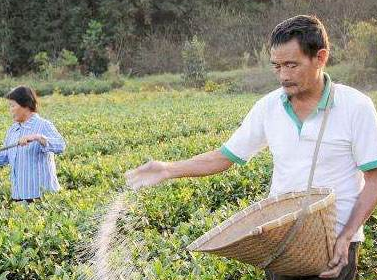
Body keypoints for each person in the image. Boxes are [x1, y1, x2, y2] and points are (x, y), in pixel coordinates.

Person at [125, 15, 377, 280]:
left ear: (320, 57)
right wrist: (168, 169)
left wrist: (347, 235)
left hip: (334, 242)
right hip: (282, 241)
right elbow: (224, 156)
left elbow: (373, 178)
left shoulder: (355, 107)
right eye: (277, 66)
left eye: (292, 65)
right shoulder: (269, 107)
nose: (284, 76)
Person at [0, 86, 66, 203]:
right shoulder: (13, 130)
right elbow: (4, 157)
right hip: (19, 198)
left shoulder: (43, 125)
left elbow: (61, 145)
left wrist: (37, 138)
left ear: (25, 106)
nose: (10, 110)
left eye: (12, 105)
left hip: (41, 198)